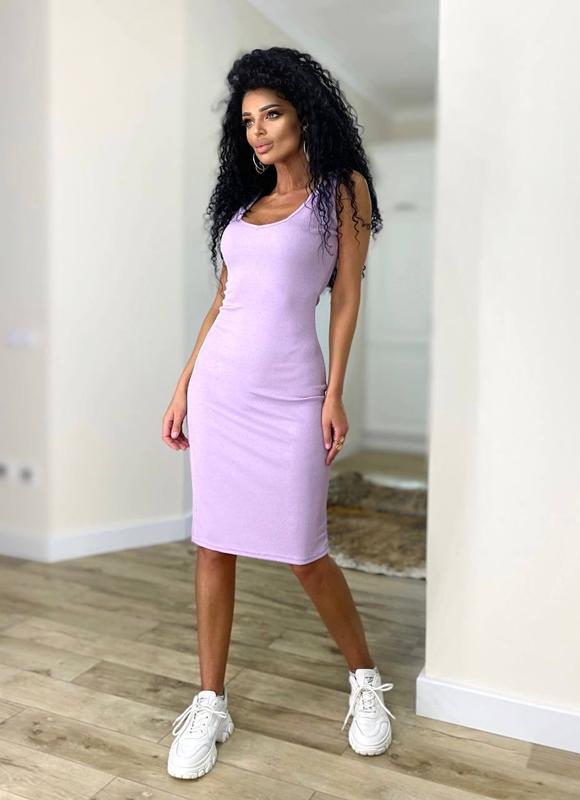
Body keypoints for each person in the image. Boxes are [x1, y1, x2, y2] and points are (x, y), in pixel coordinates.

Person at [161, 46, 395, 781]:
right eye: (247, 122)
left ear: (304, 115)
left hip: (291, 394)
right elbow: (222, 303)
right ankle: (210, 702)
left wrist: (334, 392)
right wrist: (183, 386)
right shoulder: (242, 209)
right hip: (221, 392)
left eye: (272, 115)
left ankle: (364, 681)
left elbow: (347, 296)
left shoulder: (342, 191)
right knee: (213, 545)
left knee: (304, 551)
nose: (258, 131)